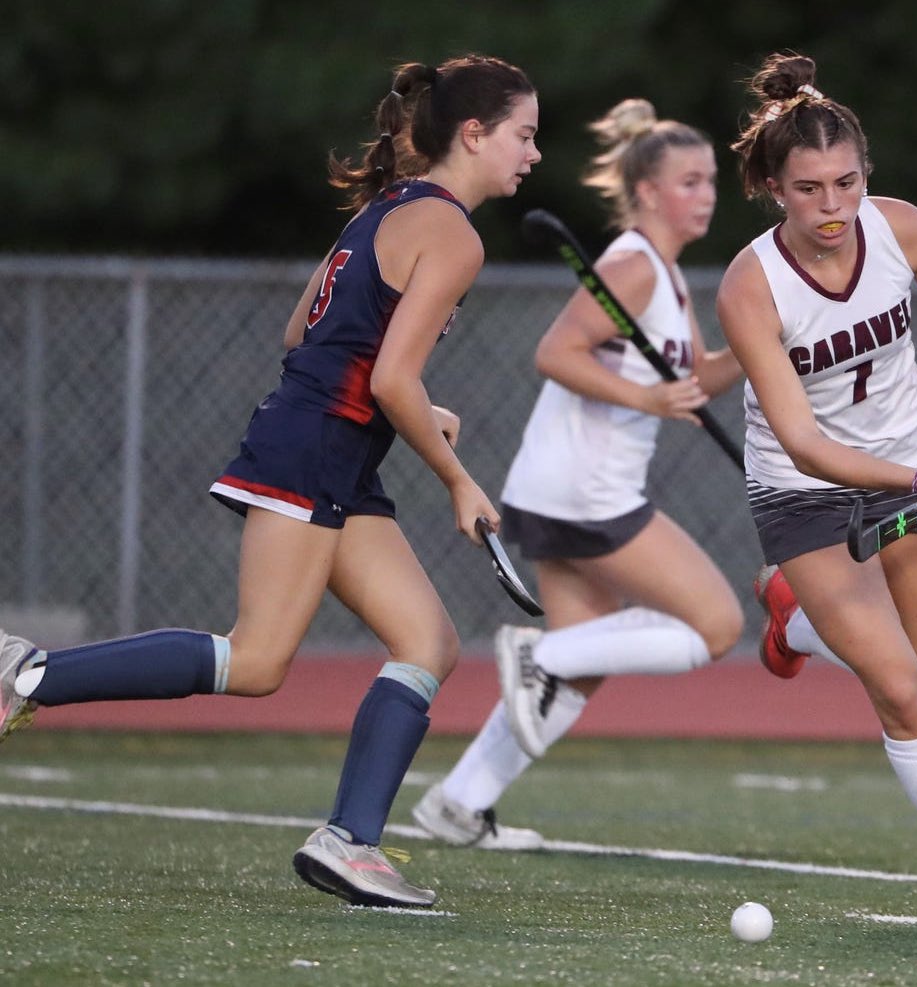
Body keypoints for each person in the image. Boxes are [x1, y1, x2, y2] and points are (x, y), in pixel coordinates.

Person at [0, 54, 542, 908]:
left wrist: (413, 409)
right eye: (524, 134)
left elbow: (308, 335)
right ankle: (28, 671)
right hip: (318, 450)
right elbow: (389, 378)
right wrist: (456, 477)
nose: (533, 153)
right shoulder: (453, 233)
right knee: (256, 659)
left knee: (428, 642)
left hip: (330, 448)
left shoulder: (391, 207)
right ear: (474, 135)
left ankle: (349, 842)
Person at [717, 52, 917, 925]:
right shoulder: (751, 286)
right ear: (772, 187)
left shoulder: (902, 229)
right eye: (809, 189)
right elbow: (802, 440)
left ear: (867, 175)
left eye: (847, 183)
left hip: (914, 467)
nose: (832, 207)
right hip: (808, 494)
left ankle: (794, 617)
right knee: (899, 690)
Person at [409, 98, 743, 849]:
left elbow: (696, 378)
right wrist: (647, 396)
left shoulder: (664, 274)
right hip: (586, 488)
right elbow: (556, 352)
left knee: (584, 667)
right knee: (715, 624)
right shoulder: (631, 266)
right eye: (690, 181)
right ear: (649, 190)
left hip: (563, 486)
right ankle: (537, 655)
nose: (706, 195)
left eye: (711, 181)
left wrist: (763, 341)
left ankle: (458, 802)